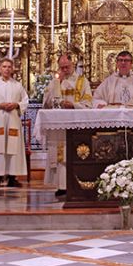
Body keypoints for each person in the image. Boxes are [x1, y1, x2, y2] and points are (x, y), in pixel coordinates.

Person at [42, 54, 93, 196]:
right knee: (59, 153)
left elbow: (88, 103)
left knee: (75, 152)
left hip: (76, 123)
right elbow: (46, 102)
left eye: (67, 67)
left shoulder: (82, 81)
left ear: (73, 65)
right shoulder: (55, 81)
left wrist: (74, 105)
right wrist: (57, 83)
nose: (64, 70)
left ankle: (76, 183)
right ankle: (61, 185)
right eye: (62, 67)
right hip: (58, 124)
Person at [0, 58, 29, 187]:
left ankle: (12, 177)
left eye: (9, 66)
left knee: (13, 148)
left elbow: (25, 101)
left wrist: (17, 104)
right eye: (4, 66)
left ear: (12, 69)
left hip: (13, 118)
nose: (7, 69)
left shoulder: (17, 85)